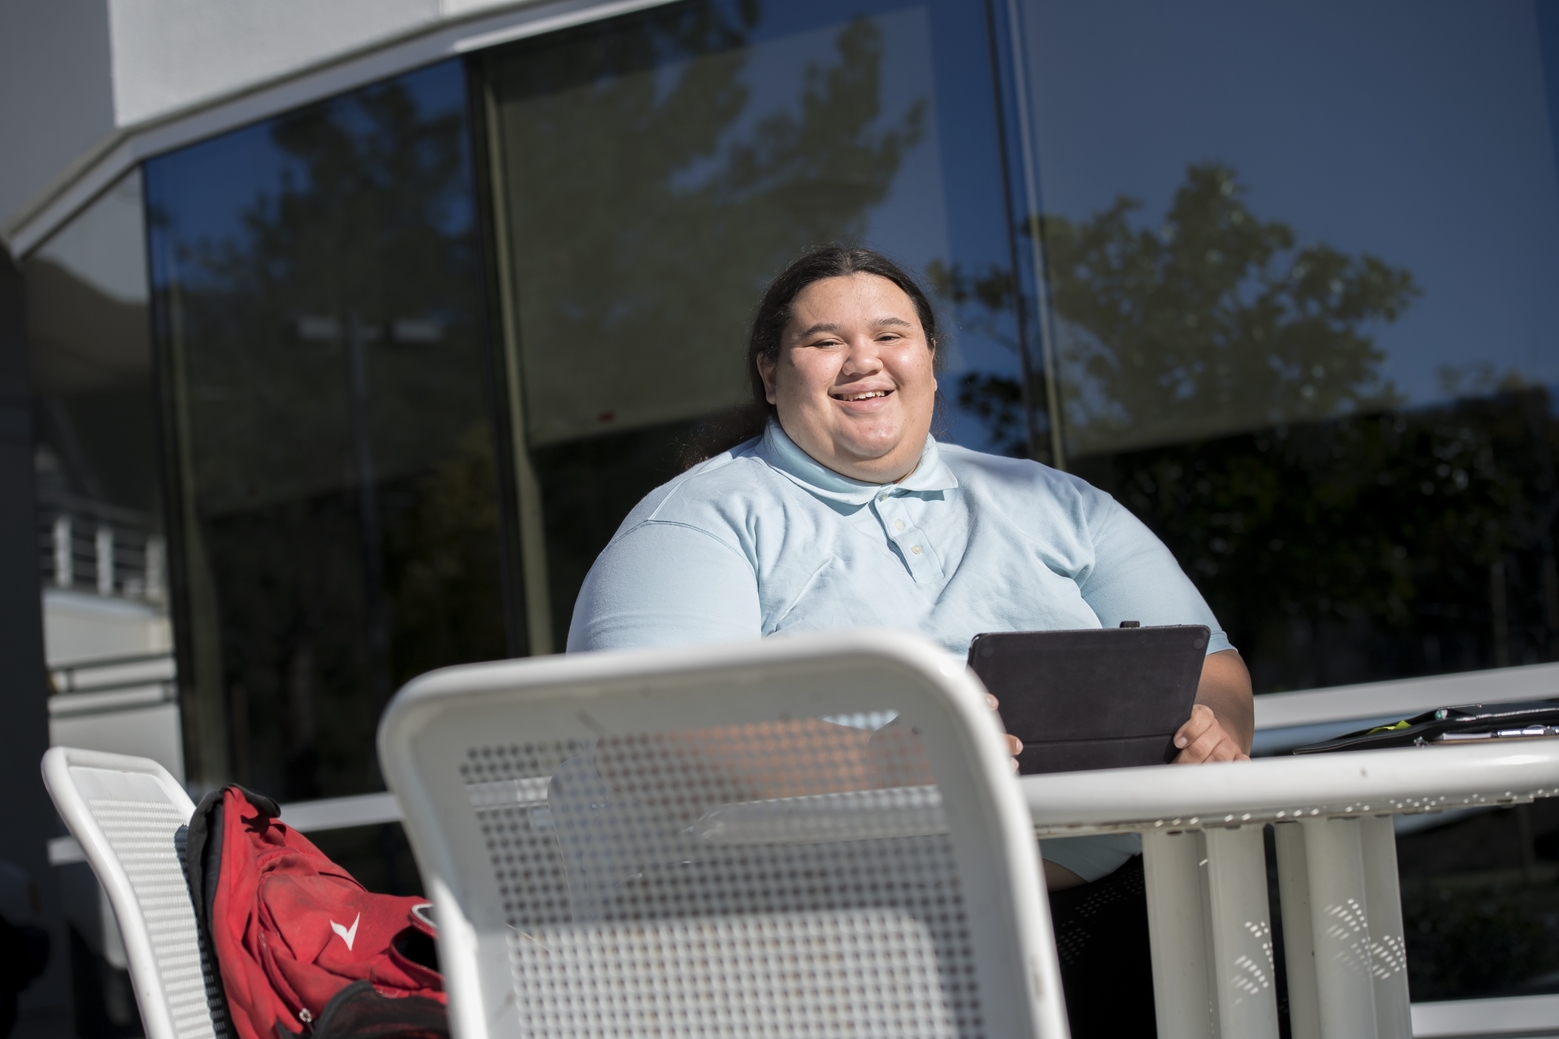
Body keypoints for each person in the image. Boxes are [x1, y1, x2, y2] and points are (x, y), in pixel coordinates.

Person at [567, 244, 1253, 889]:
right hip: (853, 936)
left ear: (927, 358)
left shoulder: (1054, 501)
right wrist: (876, 763)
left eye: (890, 335)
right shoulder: (698, 518)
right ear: (771, 376)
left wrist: (1210, 732)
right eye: (824, 341)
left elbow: (1211, 666)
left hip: (1137, 892)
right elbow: (643, 731)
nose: (863, 360)